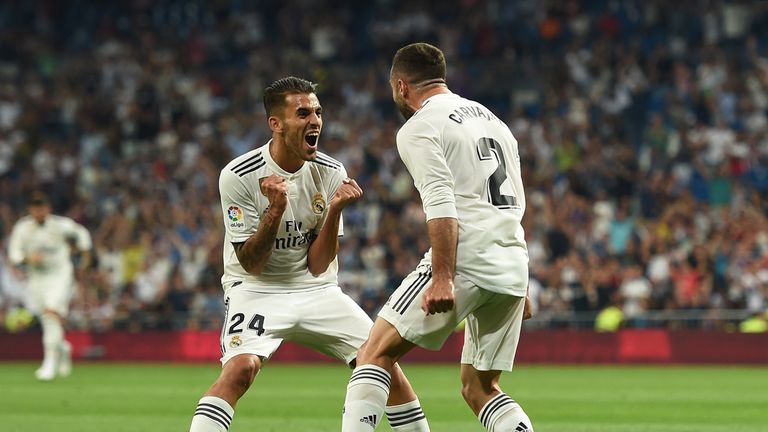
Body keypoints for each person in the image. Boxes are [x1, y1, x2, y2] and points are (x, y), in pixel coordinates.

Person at [189, 77, 429, 432]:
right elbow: (251, 263)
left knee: (382, 361)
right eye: (303, 113)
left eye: (317, 112)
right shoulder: (238, 176)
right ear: (276, 124)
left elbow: (318, 267)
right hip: (257, 288)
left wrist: (334, 211)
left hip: (316, 290)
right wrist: (275, 210)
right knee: (241, 369)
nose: (315, 120)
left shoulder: (331, 171)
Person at [341, 43, 535, 432]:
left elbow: (441, 202)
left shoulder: (420, 126)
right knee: (480, 388)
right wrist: (516, 278)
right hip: (511, 262)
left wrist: (442, 276)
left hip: (465, 259)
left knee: (373, 354)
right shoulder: (495, 121)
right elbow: (512, 203)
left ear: (401, 86)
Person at [7, 191, 92, 381]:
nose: (39, 212)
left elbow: (82, 234)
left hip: (60, 275)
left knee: (51, 315)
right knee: (46, 318)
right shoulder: (23, 228)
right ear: (30, 210)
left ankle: (49, 363)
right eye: (35, 208)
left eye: (42, 208)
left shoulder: (60, 225)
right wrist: (28, 258)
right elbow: (14, 255)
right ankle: (63, 347)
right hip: (36, 277)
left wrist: (85, 256)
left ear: (48, 208)